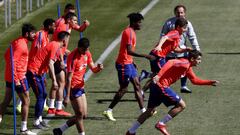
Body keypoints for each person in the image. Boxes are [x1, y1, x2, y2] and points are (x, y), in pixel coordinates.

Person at [125, 50, 219, 135]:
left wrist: (210, 82)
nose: (200, 61)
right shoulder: (185, 63)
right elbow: (170, 62)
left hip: (155, 86)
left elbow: (194, 80)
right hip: (161, 86)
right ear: (192, 58)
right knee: (181, 105)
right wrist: (159, 75)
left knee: (149, 111)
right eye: (198, 59)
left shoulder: (188, 67)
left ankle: (131, 131)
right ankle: (161, 124)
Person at [102, 12, 155, 121]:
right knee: (124, 89)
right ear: (134, 22)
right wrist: (146, 56)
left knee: (137, 85)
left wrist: (132, 61)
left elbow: (128, 53)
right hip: (123, 65)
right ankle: (109, 110)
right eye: (139, 22)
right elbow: (129, 51)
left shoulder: (132, 32)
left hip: (129, 63)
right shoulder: (129, 33)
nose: (141, 24)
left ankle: (143, 112)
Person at [140, 5, 200, 93]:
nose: (186, 29)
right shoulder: (175, 32)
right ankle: (146, 80)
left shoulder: (180, 32)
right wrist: (160, 46)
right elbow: (164, 37)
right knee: (162, 73)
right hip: (159, 55)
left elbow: (176, 49)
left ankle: (144, 86)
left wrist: (186, 49)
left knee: (161, 73)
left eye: (181, 12)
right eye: (184, 28)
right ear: (179, 27)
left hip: (160, 55)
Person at [53, 38, 103, 135]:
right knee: (79, 114)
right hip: (73, 88)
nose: (86, 51)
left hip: (81, 87)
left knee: (83, 115)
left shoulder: (87, 53)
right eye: (84, 49)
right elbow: (68, 78)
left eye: (87, 49)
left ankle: (59, 130)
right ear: (79, 47)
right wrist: (67, 96)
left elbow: (93, 69)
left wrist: (98, 68)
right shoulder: (73, 58)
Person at [48, 11, 90, 116]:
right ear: (69, 20)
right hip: (57, 57)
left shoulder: (69, 26)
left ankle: (52, 107)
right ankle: (57, 108)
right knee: (61, 82)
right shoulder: (62, 28)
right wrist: (62, 59)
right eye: (75, 20)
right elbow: (58, 45)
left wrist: (85, 25)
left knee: (57, 82)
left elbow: (80, 29)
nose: (76, 22)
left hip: (59, 56)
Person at [27, 31, 70, 129]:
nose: (67, 41)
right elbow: (50, 63)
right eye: (67, 39)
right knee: (41, 95)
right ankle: (36, 121)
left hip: (39, 72)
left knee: (43, 95)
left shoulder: (56, 45)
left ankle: (40, 119)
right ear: (64, 40)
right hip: (34, 71)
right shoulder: (55, 45)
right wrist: (54, 80)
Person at [0, 23, 36, 135]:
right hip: (19, 77)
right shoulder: (22, 45)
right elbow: (12, 61)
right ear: (27, 34)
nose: (34, 35)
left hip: (10, 76)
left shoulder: (17, 41)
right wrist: (16, 78)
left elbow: (6, 55)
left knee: (6, 100)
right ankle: (23, 129)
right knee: (26, 101)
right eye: (33, 33)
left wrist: (11, 74)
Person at [16, 18, 56, 114]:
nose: (55, 28)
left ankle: (21, 104)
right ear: (49, 26)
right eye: (54, 26)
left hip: (40, 67)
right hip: (34, 67)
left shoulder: (46, 36)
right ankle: (20, 105)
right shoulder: (40, 34)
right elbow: (38, 50)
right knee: (32, 87)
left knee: (34, 86)